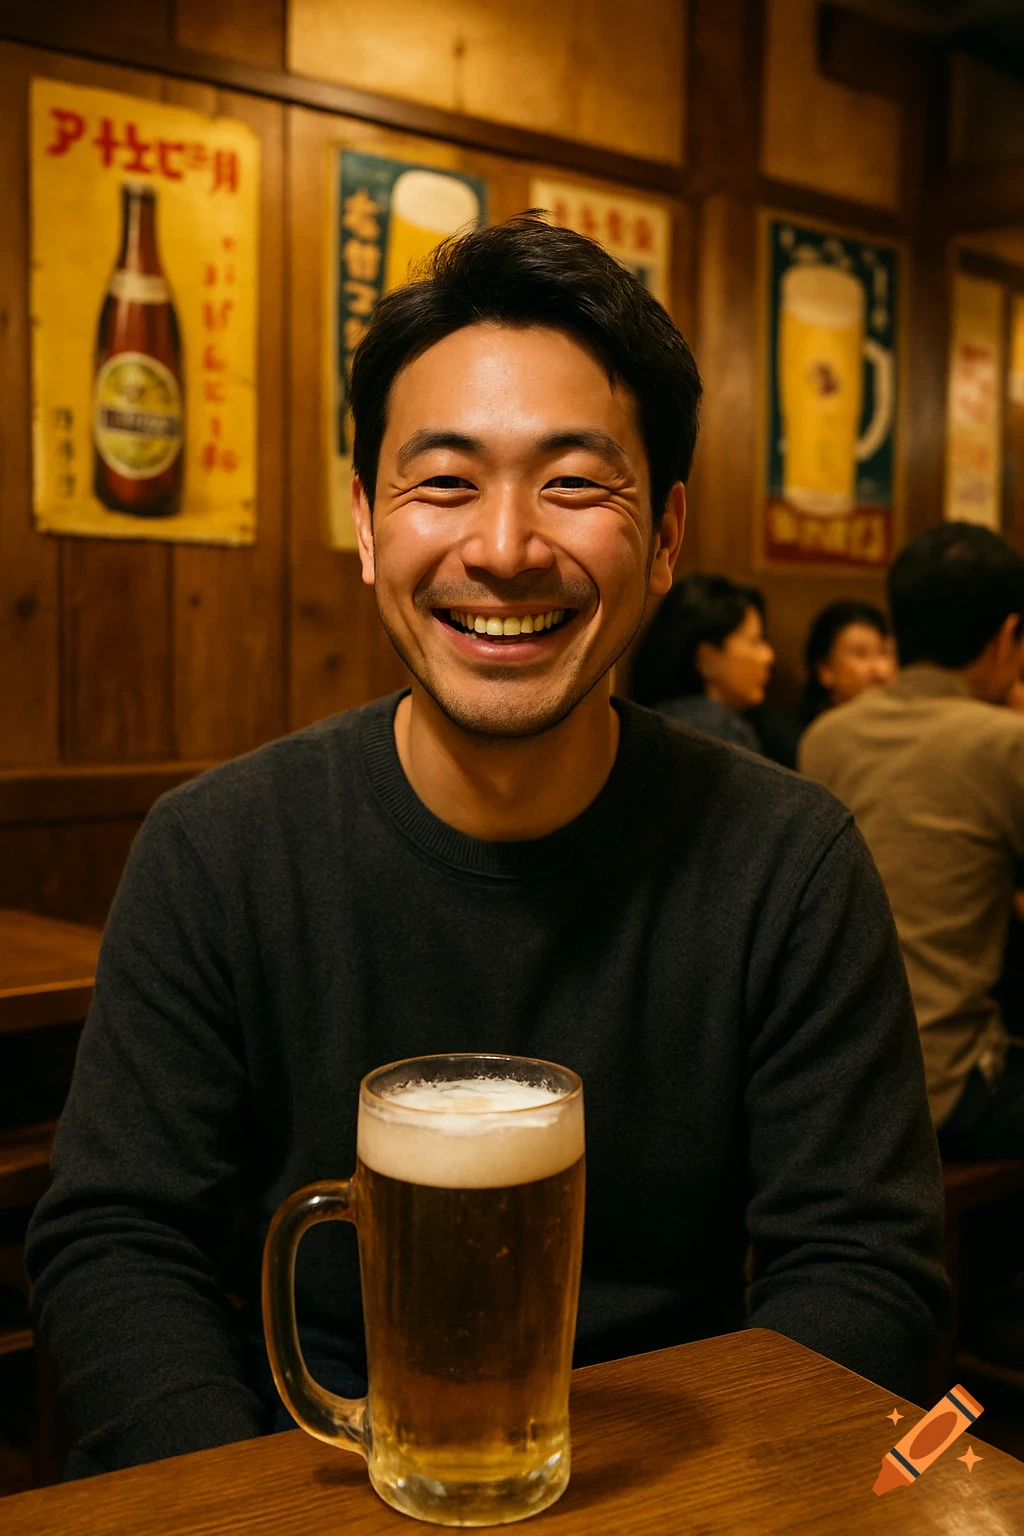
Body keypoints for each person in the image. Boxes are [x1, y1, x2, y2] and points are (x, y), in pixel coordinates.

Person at [27, 216, 945, 1479]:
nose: (505, 548)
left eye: (574, 483)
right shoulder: (217, 850)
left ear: (667, 535)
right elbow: (119, 1248)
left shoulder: (786, 861)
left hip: (677, 1487)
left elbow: (864, 1270)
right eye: (443, 482)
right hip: (300, 1481)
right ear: (364, 523)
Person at [800, 523, 1024, 1160]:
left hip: (831, 1080)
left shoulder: (828, 736)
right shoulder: (1006, 744)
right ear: (1008, 635)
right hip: (942, 1085)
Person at [631, 574, 775, 751]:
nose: (768, 655)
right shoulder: (714, 730)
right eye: (755, 641)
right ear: (707, 659)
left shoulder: (652, 721)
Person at [799, 600, 894, 730]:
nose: (879, 669)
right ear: (825, 669)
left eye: (884, 652)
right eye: (861, 654)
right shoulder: (811, 735)